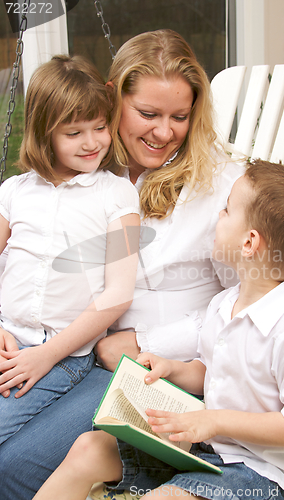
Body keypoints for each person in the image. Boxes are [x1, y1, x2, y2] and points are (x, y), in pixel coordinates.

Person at [0, 30, 243, 499]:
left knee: (16, 465)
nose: (164, 131)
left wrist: (148, 341)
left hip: (159, 369)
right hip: (70, 351)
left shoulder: (223, 187)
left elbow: (244, 306)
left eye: (180, 116)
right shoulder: (87, 164)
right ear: (112, 100)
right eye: (147, 114)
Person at [32, 160, 284, 500]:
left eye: (226, 210)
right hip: (200, 447)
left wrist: (215, 421)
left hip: (255, 472)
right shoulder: (224, 304)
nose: (218, 216)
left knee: (165, 498)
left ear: (249, 243)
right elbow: (210, 372)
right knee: (90, 448)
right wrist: (173, 369)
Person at [0, 54, 140, 444]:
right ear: (45, 133)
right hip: (8, 340)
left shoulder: (118, 194)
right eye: (74, 132)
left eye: (99, 127)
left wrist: (46, 356)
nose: (93, 142)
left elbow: (119, 293)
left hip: (62, 355)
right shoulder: (14, 191)